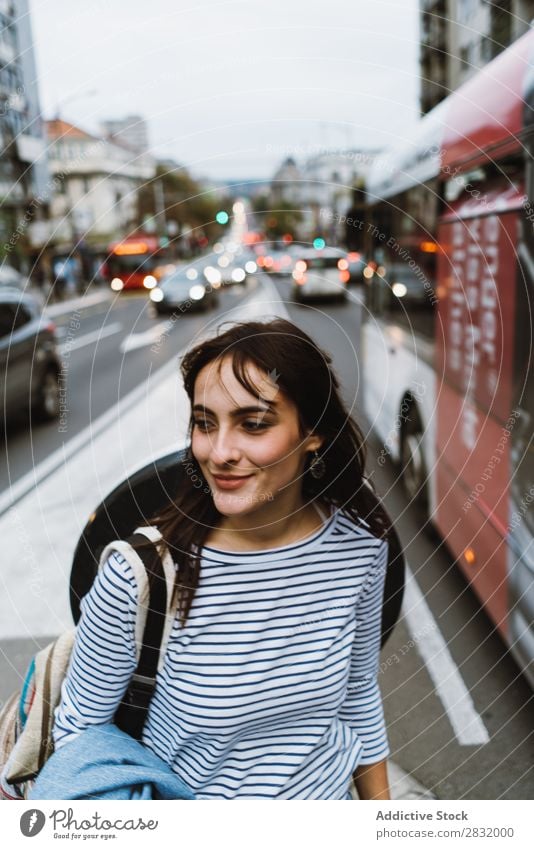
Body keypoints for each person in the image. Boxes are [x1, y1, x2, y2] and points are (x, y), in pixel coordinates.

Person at [53, 317, 392, 800]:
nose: (220, 452)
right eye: (205, 423)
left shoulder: (360, 547)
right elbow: (78, 736)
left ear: (313, 434)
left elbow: (359, 699)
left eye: (253, 424)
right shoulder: (140, 576)